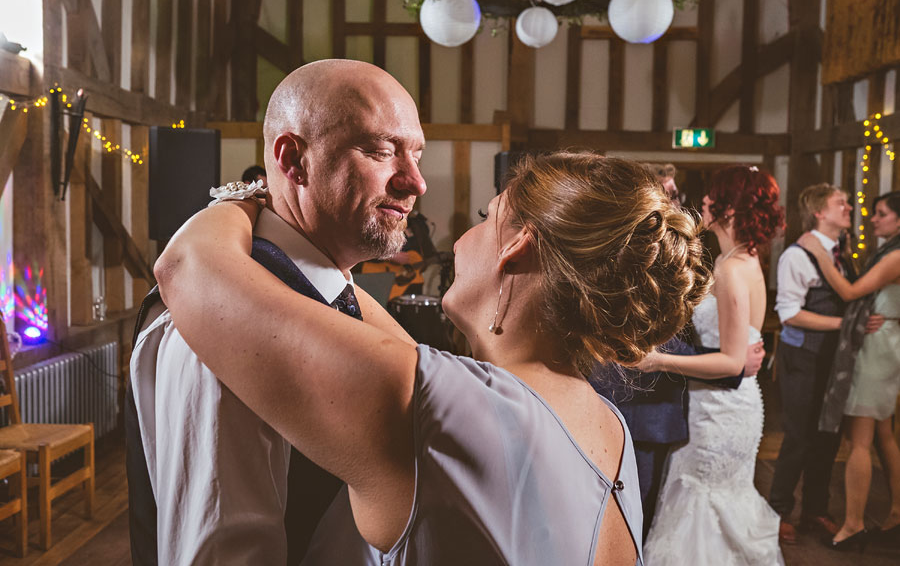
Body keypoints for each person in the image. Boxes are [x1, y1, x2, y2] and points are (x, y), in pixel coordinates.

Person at [154, 152, 712, 565]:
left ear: (515, 246)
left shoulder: (440, 405)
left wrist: (247, 196)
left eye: (486, 217)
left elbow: (187, 270)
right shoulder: (605, 423)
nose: (465, 238)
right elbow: (363, 321)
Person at [126, 59, 426, 565]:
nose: (414, 182)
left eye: (416, 154)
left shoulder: (329, 292)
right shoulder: (222, 324)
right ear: (293, 160)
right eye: (380, 151)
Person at [593, 162, 765, 538]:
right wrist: (733, 364)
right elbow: (648, 341)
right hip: (636, 405)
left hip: (672, 407)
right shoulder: (627, 251)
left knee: (655, 518)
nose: (680, 202)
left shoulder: (701, 251)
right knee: (622, 522)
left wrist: (732, 352)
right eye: (669, 194)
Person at [641, 165, 786, 565]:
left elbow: (732, 361)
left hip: (720, 408)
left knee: (702, 501)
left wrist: (656, 360)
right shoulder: (748, 259)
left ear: (730, 208)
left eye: (712, 195)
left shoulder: (730, 269)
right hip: (733, 402)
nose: (702, 200)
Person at [797, 190, 900, 550]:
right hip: (884, 341)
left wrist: (817, 253)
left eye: (882, 213)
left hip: (877, 348)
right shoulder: (888, 249)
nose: (873, 219)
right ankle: (897, 514)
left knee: (860, 440)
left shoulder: (896, 255)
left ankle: (854, 524)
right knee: (884, 435)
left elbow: (851, 290)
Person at [768, 182, 853, 543]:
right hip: (802, 357)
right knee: (799, 436)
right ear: (820, 212)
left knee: (827, 437)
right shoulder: (796, 256)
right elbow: (789, 314)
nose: (848, 207)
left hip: (833, 358)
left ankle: (816, 509)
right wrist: (844, 324)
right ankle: (779, 511)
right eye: (840, 203)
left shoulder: (842, 253)